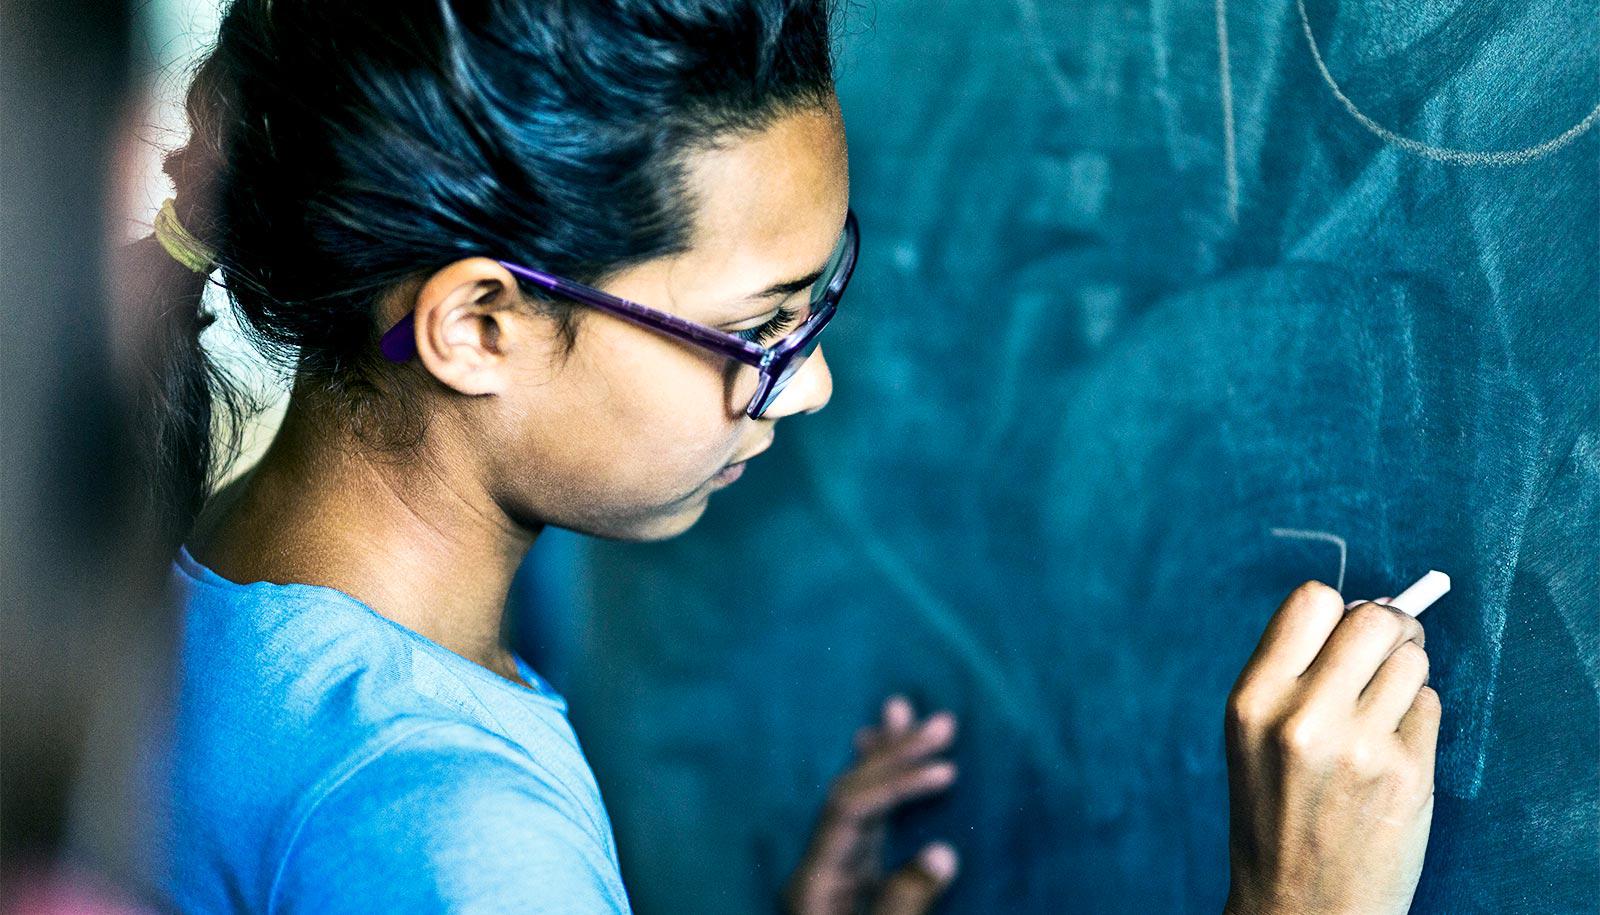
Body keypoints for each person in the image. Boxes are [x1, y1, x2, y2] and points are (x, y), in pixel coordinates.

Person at [122, 1, 1441, 912]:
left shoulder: (170, 610)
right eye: (760, 328)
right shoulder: (450, 824)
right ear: (480, 323)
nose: (807, 386)